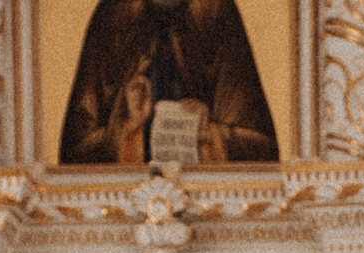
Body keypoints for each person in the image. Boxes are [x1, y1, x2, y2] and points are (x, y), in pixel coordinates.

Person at [58, 0, 279, 165]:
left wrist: (207, 131)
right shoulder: (113, 17)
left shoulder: (215, 12)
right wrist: (125, 128)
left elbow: (261, 151)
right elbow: (75, 155)